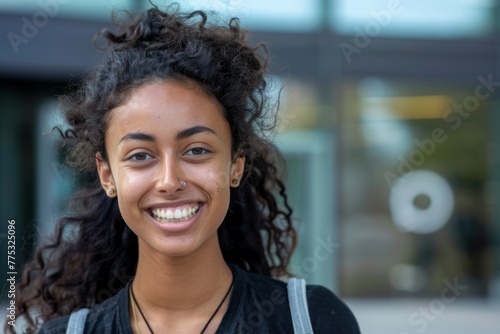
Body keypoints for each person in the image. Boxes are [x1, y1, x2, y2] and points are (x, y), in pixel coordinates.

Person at [9, 5, 360, 334]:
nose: (169, 181)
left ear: (236, 165)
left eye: (196, 150)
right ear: (107, 175)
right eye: (140, 155)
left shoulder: (311, 320)